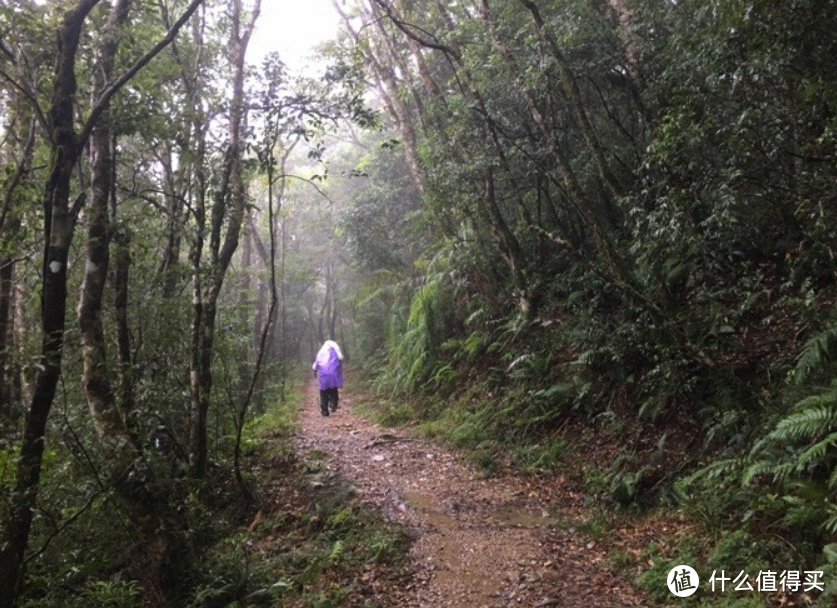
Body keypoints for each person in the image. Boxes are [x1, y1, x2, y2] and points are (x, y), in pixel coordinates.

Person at [312, 339, 344, 416]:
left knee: (323, 394)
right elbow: (340, 359)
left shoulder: (320, 353)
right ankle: (333, 403)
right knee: (333, 391)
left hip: (324, 378)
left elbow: (315, 366)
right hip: (333, 377)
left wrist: (315, 372)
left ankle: (324, 411)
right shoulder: (335, 352)